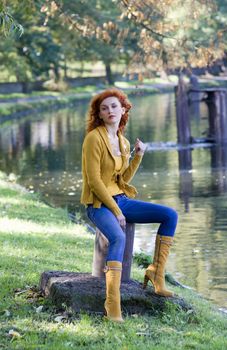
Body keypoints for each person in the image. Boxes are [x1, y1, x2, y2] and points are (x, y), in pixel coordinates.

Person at [81, 88, 178, 322]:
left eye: (114, 106)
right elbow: (94, 181)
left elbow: (122, 180)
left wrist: (138, 156)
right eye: (104, 108)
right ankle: (112, 305)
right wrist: (115, 211)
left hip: (120, 199)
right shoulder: (94, 138)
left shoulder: (123, 141)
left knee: (170, 215)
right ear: (100, 115)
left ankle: (156, 273)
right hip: (98, 204)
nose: (110, 111)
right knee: (119, 238)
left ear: (123, 109)